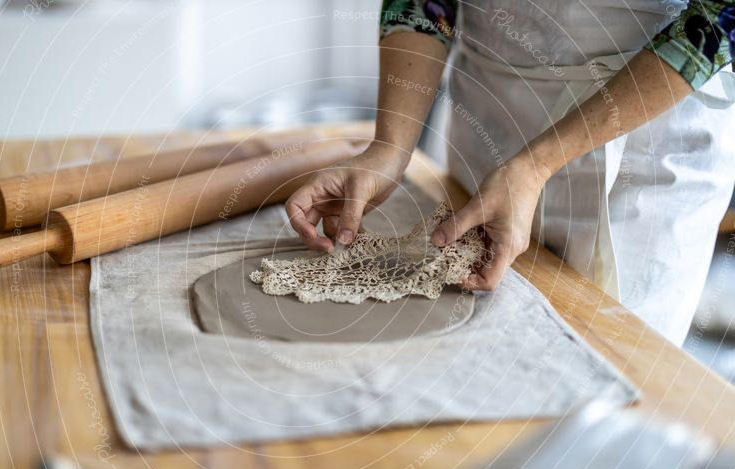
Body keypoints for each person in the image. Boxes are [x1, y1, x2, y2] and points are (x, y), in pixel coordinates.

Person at [285, 0, 735, 345]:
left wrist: (536, 165)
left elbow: (721, 16)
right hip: (490, 114)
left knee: (611, 367)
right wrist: (390, 146)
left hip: (647, 135)